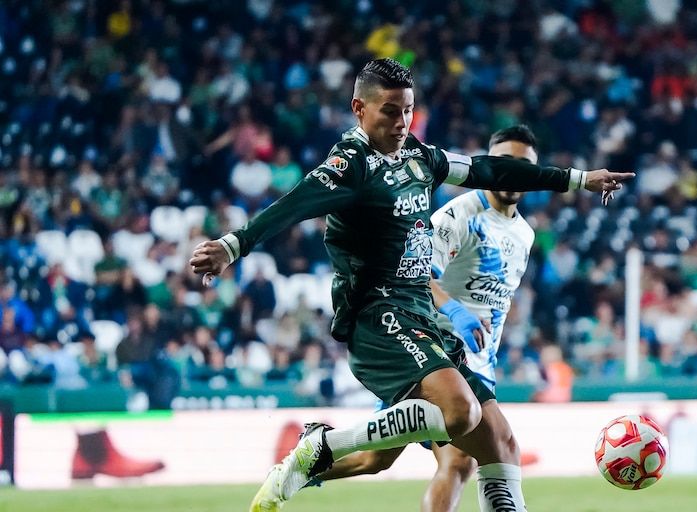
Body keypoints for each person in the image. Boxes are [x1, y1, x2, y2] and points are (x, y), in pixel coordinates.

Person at [188, 59, 631, 512]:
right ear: (359, 108)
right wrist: (231, 246)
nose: (401, 123)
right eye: (390, 111)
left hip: (420, 317)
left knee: (498, 443)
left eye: (407, 110)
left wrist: (579, 179)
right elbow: (291, 206)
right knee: (459, 415)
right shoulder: (349, 166)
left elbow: (487, 170)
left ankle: (308, 464)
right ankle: (321, 446)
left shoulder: (420, 157)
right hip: (378, 316)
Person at [305, 124, 542, 511]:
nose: (513, 173)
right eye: (505, 162)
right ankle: (311, 456)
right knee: (463, 460)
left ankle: (306, 463)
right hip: (437, 355)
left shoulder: (525, 234)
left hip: (480, 363)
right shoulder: (461, 214)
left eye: (524, 166)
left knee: (374, 459)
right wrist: (454, 311)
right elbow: (414, 272)